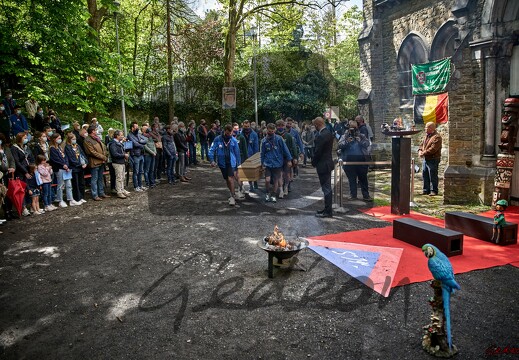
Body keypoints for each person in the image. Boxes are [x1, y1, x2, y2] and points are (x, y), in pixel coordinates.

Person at [338, 120, 372, 201]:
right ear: (348, 128)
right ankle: (353, 195)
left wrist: (360, 141)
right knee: (351, 179)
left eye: (355, 128)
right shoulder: (345, 136)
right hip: (349, 161)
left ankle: (366, 195)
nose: (353, 130)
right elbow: (340, 145)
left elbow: (367, 144)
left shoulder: (361, 135)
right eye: (351, 128)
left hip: (361, 161)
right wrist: (347, 142)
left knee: (363, 179)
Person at [208, 124, 242, 206]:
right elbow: (211, 150)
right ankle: (232, 192)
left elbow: (237, 153)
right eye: (227, 134)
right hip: (222, 163)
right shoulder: (218, 139)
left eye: (230, 134)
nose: (229, 135)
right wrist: (212, 160)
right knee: (227, 179)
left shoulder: (234, 140)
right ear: (224, 131)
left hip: (231, 163)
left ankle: (233, 197)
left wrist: (239, 165)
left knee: (231, 178)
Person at [260, 123, 292, 203]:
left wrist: (289, 160)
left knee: (276, 180)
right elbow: (262, 153)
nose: (270, 132)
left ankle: (274, 194)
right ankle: (267, 193)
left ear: (274, 131)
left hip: (277, 163)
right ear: (267, 130)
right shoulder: (264, 141)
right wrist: (262, 163)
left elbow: (285, 149)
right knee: (267, 180)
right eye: (269, 131)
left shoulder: (279, 139)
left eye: (272, 131)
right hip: (268, 163)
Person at [49, 133, 81, 207]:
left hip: (66, 168)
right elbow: (55, 159)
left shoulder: (60, 147)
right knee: (61, 185)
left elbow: (65, 156)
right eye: (58, 138)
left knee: (69, 184)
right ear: (54, 139)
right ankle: (60, 200)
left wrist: (67, 164)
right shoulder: (52, 148)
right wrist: (63, 165)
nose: (60, 140)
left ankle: (71, 199)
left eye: (60, 138)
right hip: (59, 169)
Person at [312, 117, 334, 218]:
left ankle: (328, 211)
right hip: (328, 163)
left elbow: (318, 152)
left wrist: (313, 162)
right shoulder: (328, 133)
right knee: (327, 188)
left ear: (317, 124)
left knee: (326, 189)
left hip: (323, 165)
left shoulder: (321, 136)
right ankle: (327, 208)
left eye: (315, 125)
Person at [84, 125, 110, 201]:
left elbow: (104, 147)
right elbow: (91, 152)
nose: (97, 131)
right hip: (94, 162)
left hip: (101, 162)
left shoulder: (97, 139)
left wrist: (105, 155)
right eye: (96, 130)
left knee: (100, 178)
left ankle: (101, 192)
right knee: (94, 179)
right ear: (92, 131)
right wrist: (103, 157)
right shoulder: (87, 140)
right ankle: (95, 195)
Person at [418, 121, 442, 196]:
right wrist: (420, 151)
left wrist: (423, 153)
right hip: (426, 159)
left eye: (426, 127)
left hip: (433, 159)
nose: (425, 128)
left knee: (433, 175)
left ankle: (434, 190)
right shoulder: (427, 136)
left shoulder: (437, 137)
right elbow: (422, 145)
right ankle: (426, 190)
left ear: (431, 128)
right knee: (425, 174)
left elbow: (433, 149)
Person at [275, 119, 298, 198]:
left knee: (287, 174)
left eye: (282, 126)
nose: (280, 127)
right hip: (277, 158)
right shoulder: (274, 135)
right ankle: (281, 190)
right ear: (276, 126)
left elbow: (293, 146)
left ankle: (286, 187)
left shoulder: (288, 136)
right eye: (278, 126)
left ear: (284, 126)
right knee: (279, 175)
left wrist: (295, 157)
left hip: (287, 158)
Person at [64, 132, 88, 204]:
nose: (74, 140)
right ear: (69, 140)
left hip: (81, 167)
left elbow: (83, 154)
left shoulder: (77, 146)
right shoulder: (67, 147)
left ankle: (82, 196)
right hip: (74, 168)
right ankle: (77, 198)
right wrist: (79, 164)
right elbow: (71, 158)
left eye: (75, 139)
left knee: (81, 183)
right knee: (76, 184)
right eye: (73, 139)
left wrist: (85, 162)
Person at [108, 130, 131, 199]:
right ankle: (119, 192)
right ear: (117, 136)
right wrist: (124, 155)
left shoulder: (119, 143)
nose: (122, 136)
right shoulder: (113, 144)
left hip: (122, 162)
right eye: (121, 135)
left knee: (122, 177)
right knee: (119, 178)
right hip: (117, 163)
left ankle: (122, 189)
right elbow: (114, 154)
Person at [127, 121, 148, 191]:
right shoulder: (129, 135)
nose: (137, 128)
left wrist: (139, 142)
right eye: (136, 127)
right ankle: (136, 187)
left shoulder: (138, 134)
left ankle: (140, 185)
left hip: (141, 154)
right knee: (136, 172)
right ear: (132, 128)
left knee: (141, 171)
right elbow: (135, 144)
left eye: (137, 126)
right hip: (135, 155)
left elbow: (145, 140)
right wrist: (141, 143)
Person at [0, 134, 16, 219]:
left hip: (10, 174)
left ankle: (11, 210)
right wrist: (6, 168)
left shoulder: (6, 149)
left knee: (10, 192)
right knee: (4, 193)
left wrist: (13, 167)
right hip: (1, 175)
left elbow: (12, 159)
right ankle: (6, 211)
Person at [241, 120, 259, 191]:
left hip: (251, 154)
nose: (247, 128)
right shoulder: (240, 134)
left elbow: (256, 146)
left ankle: (254, 182)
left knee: (253, 170)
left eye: (248, 126)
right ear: (243, 126)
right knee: (243, 171)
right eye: (245, 126)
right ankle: (245, 184)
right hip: (243, 155)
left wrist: (256, 156)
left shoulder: (254, 134)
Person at [142, 122, 157, 188]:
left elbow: (154, 142)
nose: (148, 130)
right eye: (146, 129)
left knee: (152, 169)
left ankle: (152, 182)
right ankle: (147, 183)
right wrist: (152, 152)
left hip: (153, 154)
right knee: (147, 170)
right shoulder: (142, 136)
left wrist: (155, 151)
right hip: (147, 154)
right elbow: (145, 146)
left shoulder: (150, 136)